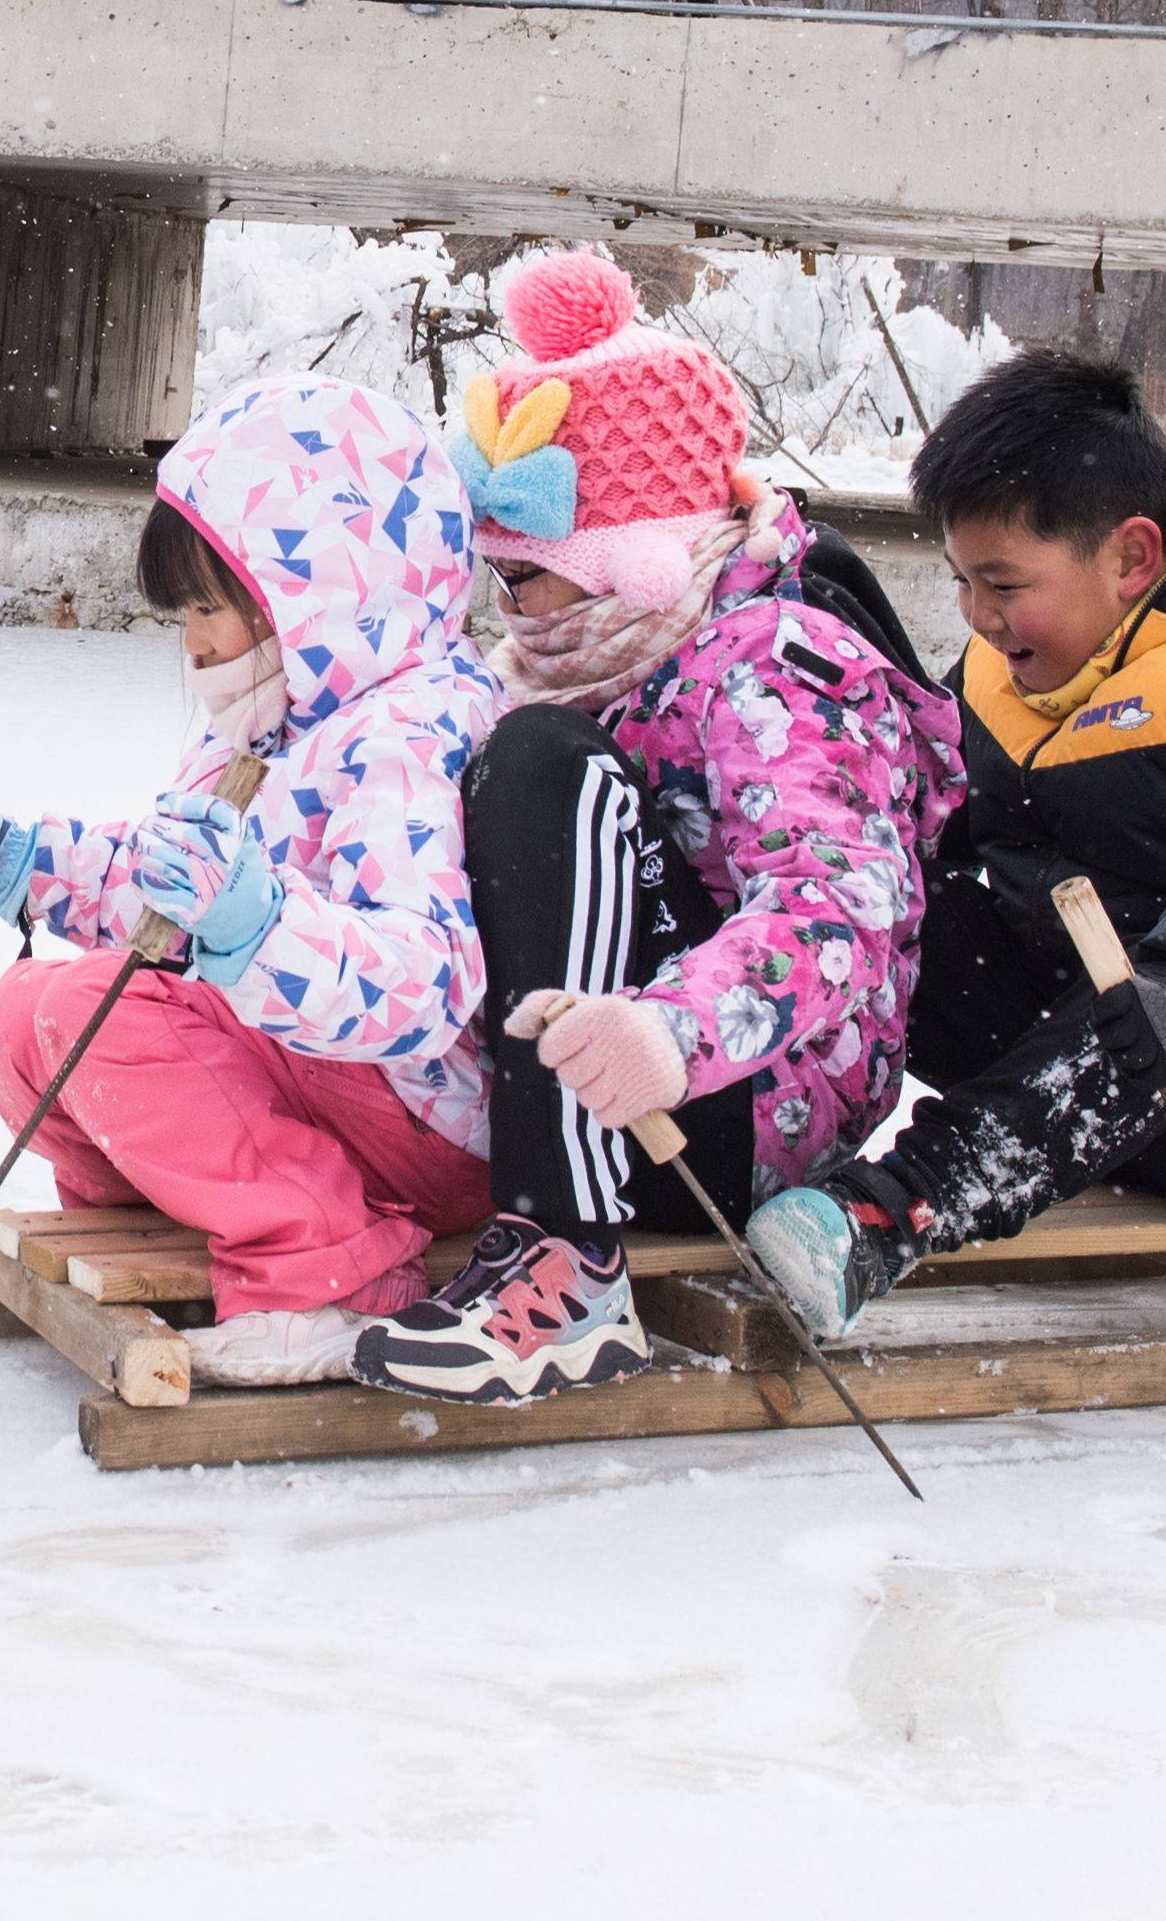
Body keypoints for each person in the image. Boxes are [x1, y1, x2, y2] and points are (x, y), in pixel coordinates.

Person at [344, 249, 967, 1407]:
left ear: (630, 559)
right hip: (590, 1064)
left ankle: (567, 1261)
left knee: (540, 768)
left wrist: (673, 1033)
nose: (506, 606)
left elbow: (840, 907)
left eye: (527, 575)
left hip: (736, 1097)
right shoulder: (569, 655)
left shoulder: (780, 665)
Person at [745, 347, 1166, 1340]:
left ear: (1131, 557)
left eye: (1003, 584)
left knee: (1148, 996)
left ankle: (898, 1208)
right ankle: (755, 1136)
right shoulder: (998, 680)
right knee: (883, 905)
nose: (978, 616)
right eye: (961, 583)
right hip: (1093, 1055)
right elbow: (902, 829)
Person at [0, 372, 496, 1388]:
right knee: (27, 1012)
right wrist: (16, 858)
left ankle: (330, 1273)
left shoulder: (405, 736)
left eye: (209, 606)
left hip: (426, 1115)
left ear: (318, 594)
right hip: (326, 1082)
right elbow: (168, 892)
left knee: (98, 1011)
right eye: (181, 610)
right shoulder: (265, 713)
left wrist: (261, 929)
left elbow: (423, 990)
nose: (192, 639)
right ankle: (182, 1213)